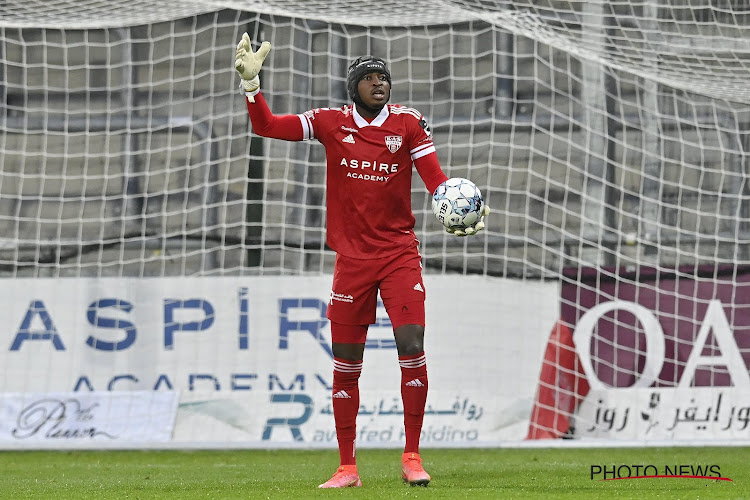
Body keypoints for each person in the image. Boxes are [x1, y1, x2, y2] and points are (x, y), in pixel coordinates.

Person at [234, 33, 489, 489]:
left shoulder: (410, 124)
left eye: (384, 78)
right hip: (352, 260)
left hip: (398, 256)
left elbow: (436, 181)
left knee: (412, 344)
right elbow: (268, 127)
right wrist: (253, 88)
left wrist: (459, 205)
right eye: (370, 78)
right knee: (346, 362)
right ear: (353, 88)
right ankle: (347, 467)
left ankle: (412, 456)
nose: (379, 83)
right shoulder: (330, 122)